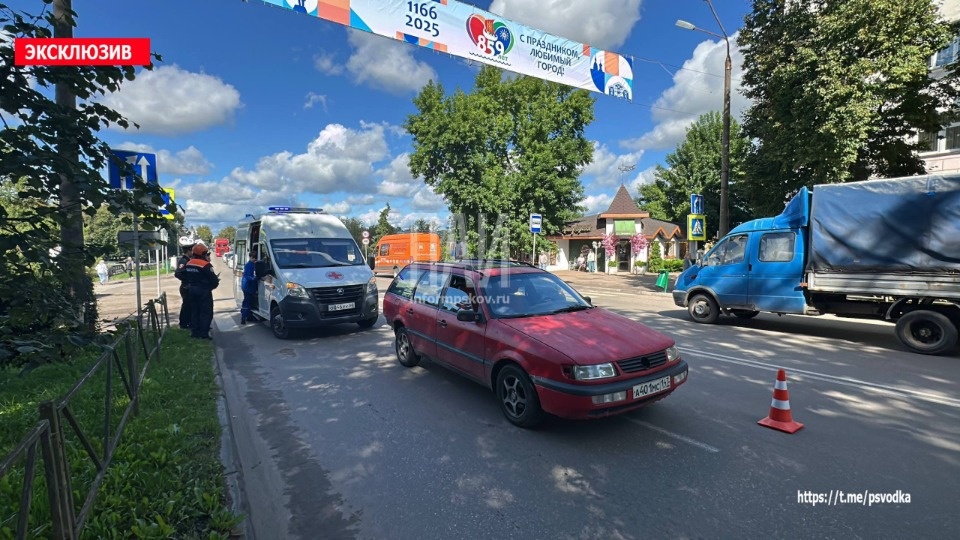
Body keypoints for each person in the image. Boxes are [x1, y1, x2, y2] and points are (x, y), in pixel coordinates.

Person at [179, 244, 220, 339]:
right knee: (206, 312)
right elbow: (213, 280)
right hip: (203, 291)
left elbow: (183, 274)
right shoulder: (205, 264)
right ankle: (203, 333)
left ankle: (195, 332)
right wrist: (211, 287)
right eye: (206, 253)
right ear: (203, 253)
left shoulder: (189, 263)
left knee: (195, 311)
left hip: (191, 290)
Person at [174, 244, 195, 329]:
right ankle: (183, 324)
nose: (193, 252)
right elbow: (178, 273)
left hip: (188, 286)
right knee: (186, 306)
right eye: (192, 250)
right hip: (186, 287)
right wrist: (187, 280)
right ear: (188, 251)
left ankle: (188, 322)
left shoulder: (188, 260)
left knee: (189, 306)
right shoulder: (183, 261)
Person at [240, 252, 259, 324]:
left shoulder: (253, 264)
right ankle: (243, 317)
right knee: (247, 302)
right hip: (247, 287)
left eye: (255, 258)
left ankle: (249, 316)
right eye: (253, 257)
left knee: (250, 302)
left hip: (250, 286)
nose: (254, 259)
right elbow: (247, 276)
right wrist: (255, 278)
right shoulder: (248, 265)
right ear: (250, 257)